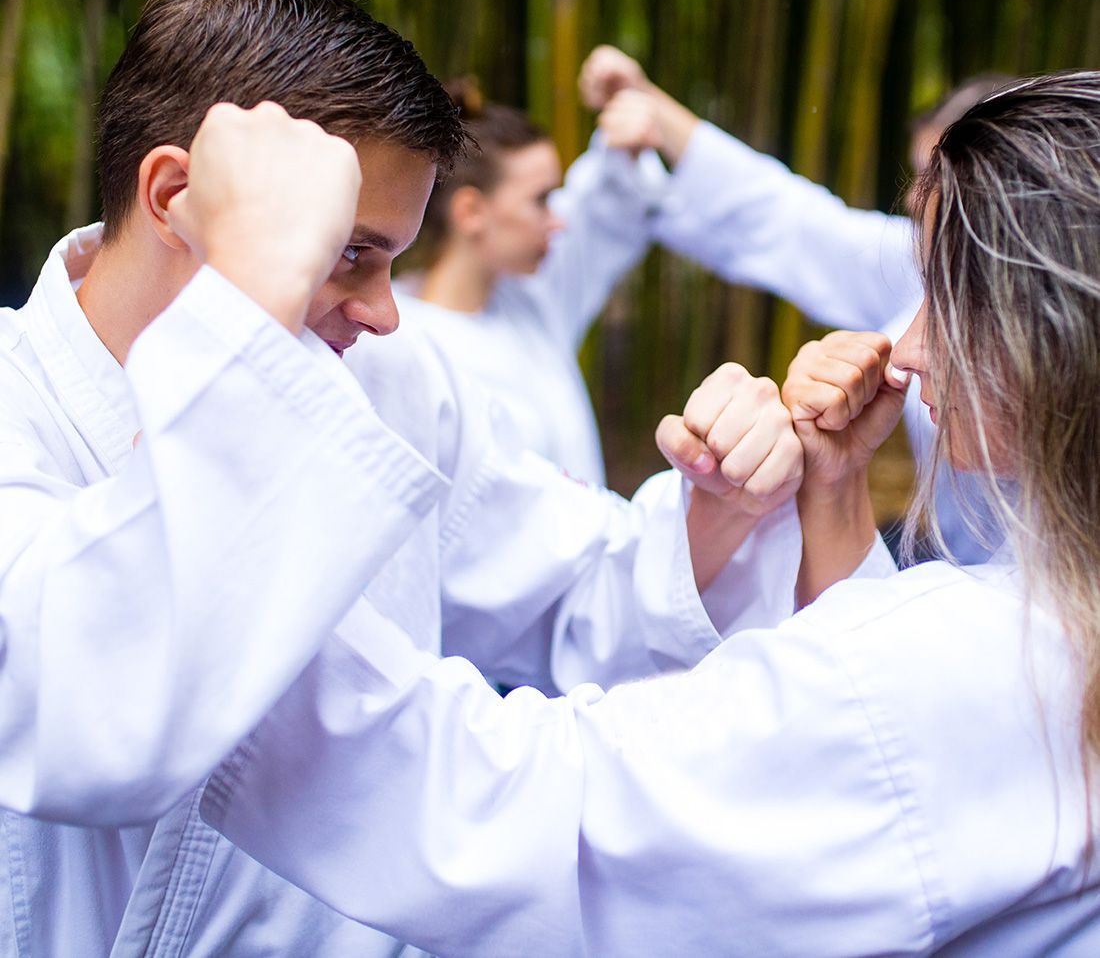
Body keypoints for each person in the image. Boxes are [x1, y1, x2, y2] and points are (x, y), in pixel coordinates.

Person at [0, 0, 804, 957]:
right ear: (177, 196)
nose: (386, 309)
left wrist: (714, 510)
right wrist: (251, 290)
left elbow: (569, 587)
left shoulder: (391, 376)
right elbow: (94, 707)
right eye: (349, 254)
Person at [204, 72, 1100, 955]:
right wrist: (831, 491)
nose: (903, 347)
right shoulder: (1022, 641)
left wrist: (197, 601)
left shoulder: (977, 663)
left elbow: (542, 813)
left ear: (1056, 333)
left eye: (947, 293)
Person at [580, 45, 1010, 562]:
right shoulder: (914, 255)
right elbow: (790, 223)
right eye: (920, 180)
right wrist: (648, 102)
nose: (922, 204)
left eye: (942, 185)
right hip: (945, 558)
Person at [395, 77, 675, 484]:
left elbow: (607, 201)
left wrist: (624, 133)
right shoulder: (398, 339)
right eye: (541, 200)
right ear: (471, 210)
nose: (558, 220)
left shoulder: (533, 302)